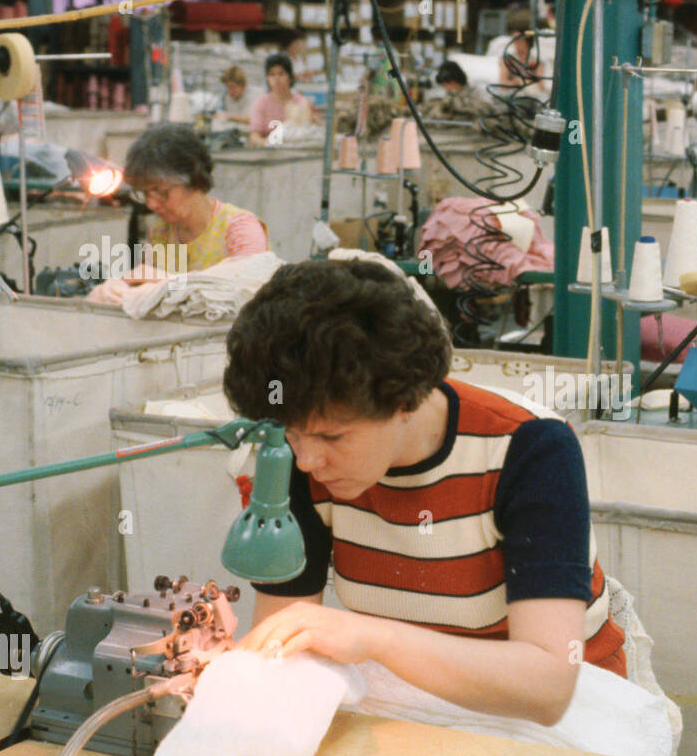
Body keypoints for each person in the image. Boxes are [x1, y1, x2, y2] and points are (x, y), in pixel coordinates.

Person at [223, 258, 628, 724]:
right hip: (411, 696)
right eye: (289, 434)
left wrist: (374, 637)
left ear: (404, 400)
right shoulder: (294, 453)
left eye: (332, 437)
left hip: (573, 712)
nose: (309, 460)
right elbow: (278, 644)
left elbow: (548, 686)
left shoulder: (528, 449)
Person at [124, 123, 269, 272]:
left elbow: (247, 287)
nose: (151, 204)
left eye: (161, 192)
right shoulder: (160, 233)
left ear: (195, 181)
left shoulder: (239, 229)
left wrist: (170, 284)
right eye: (145, 194)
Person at [249, 53, 314, 145]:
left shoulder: (301, 102)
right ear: (267, 78)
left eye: (281, 74)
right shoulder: (262, 102)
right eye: (272, 74)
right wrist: (268, 144)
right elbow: (254, 137)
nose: (276, 79)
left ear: (290, 77)